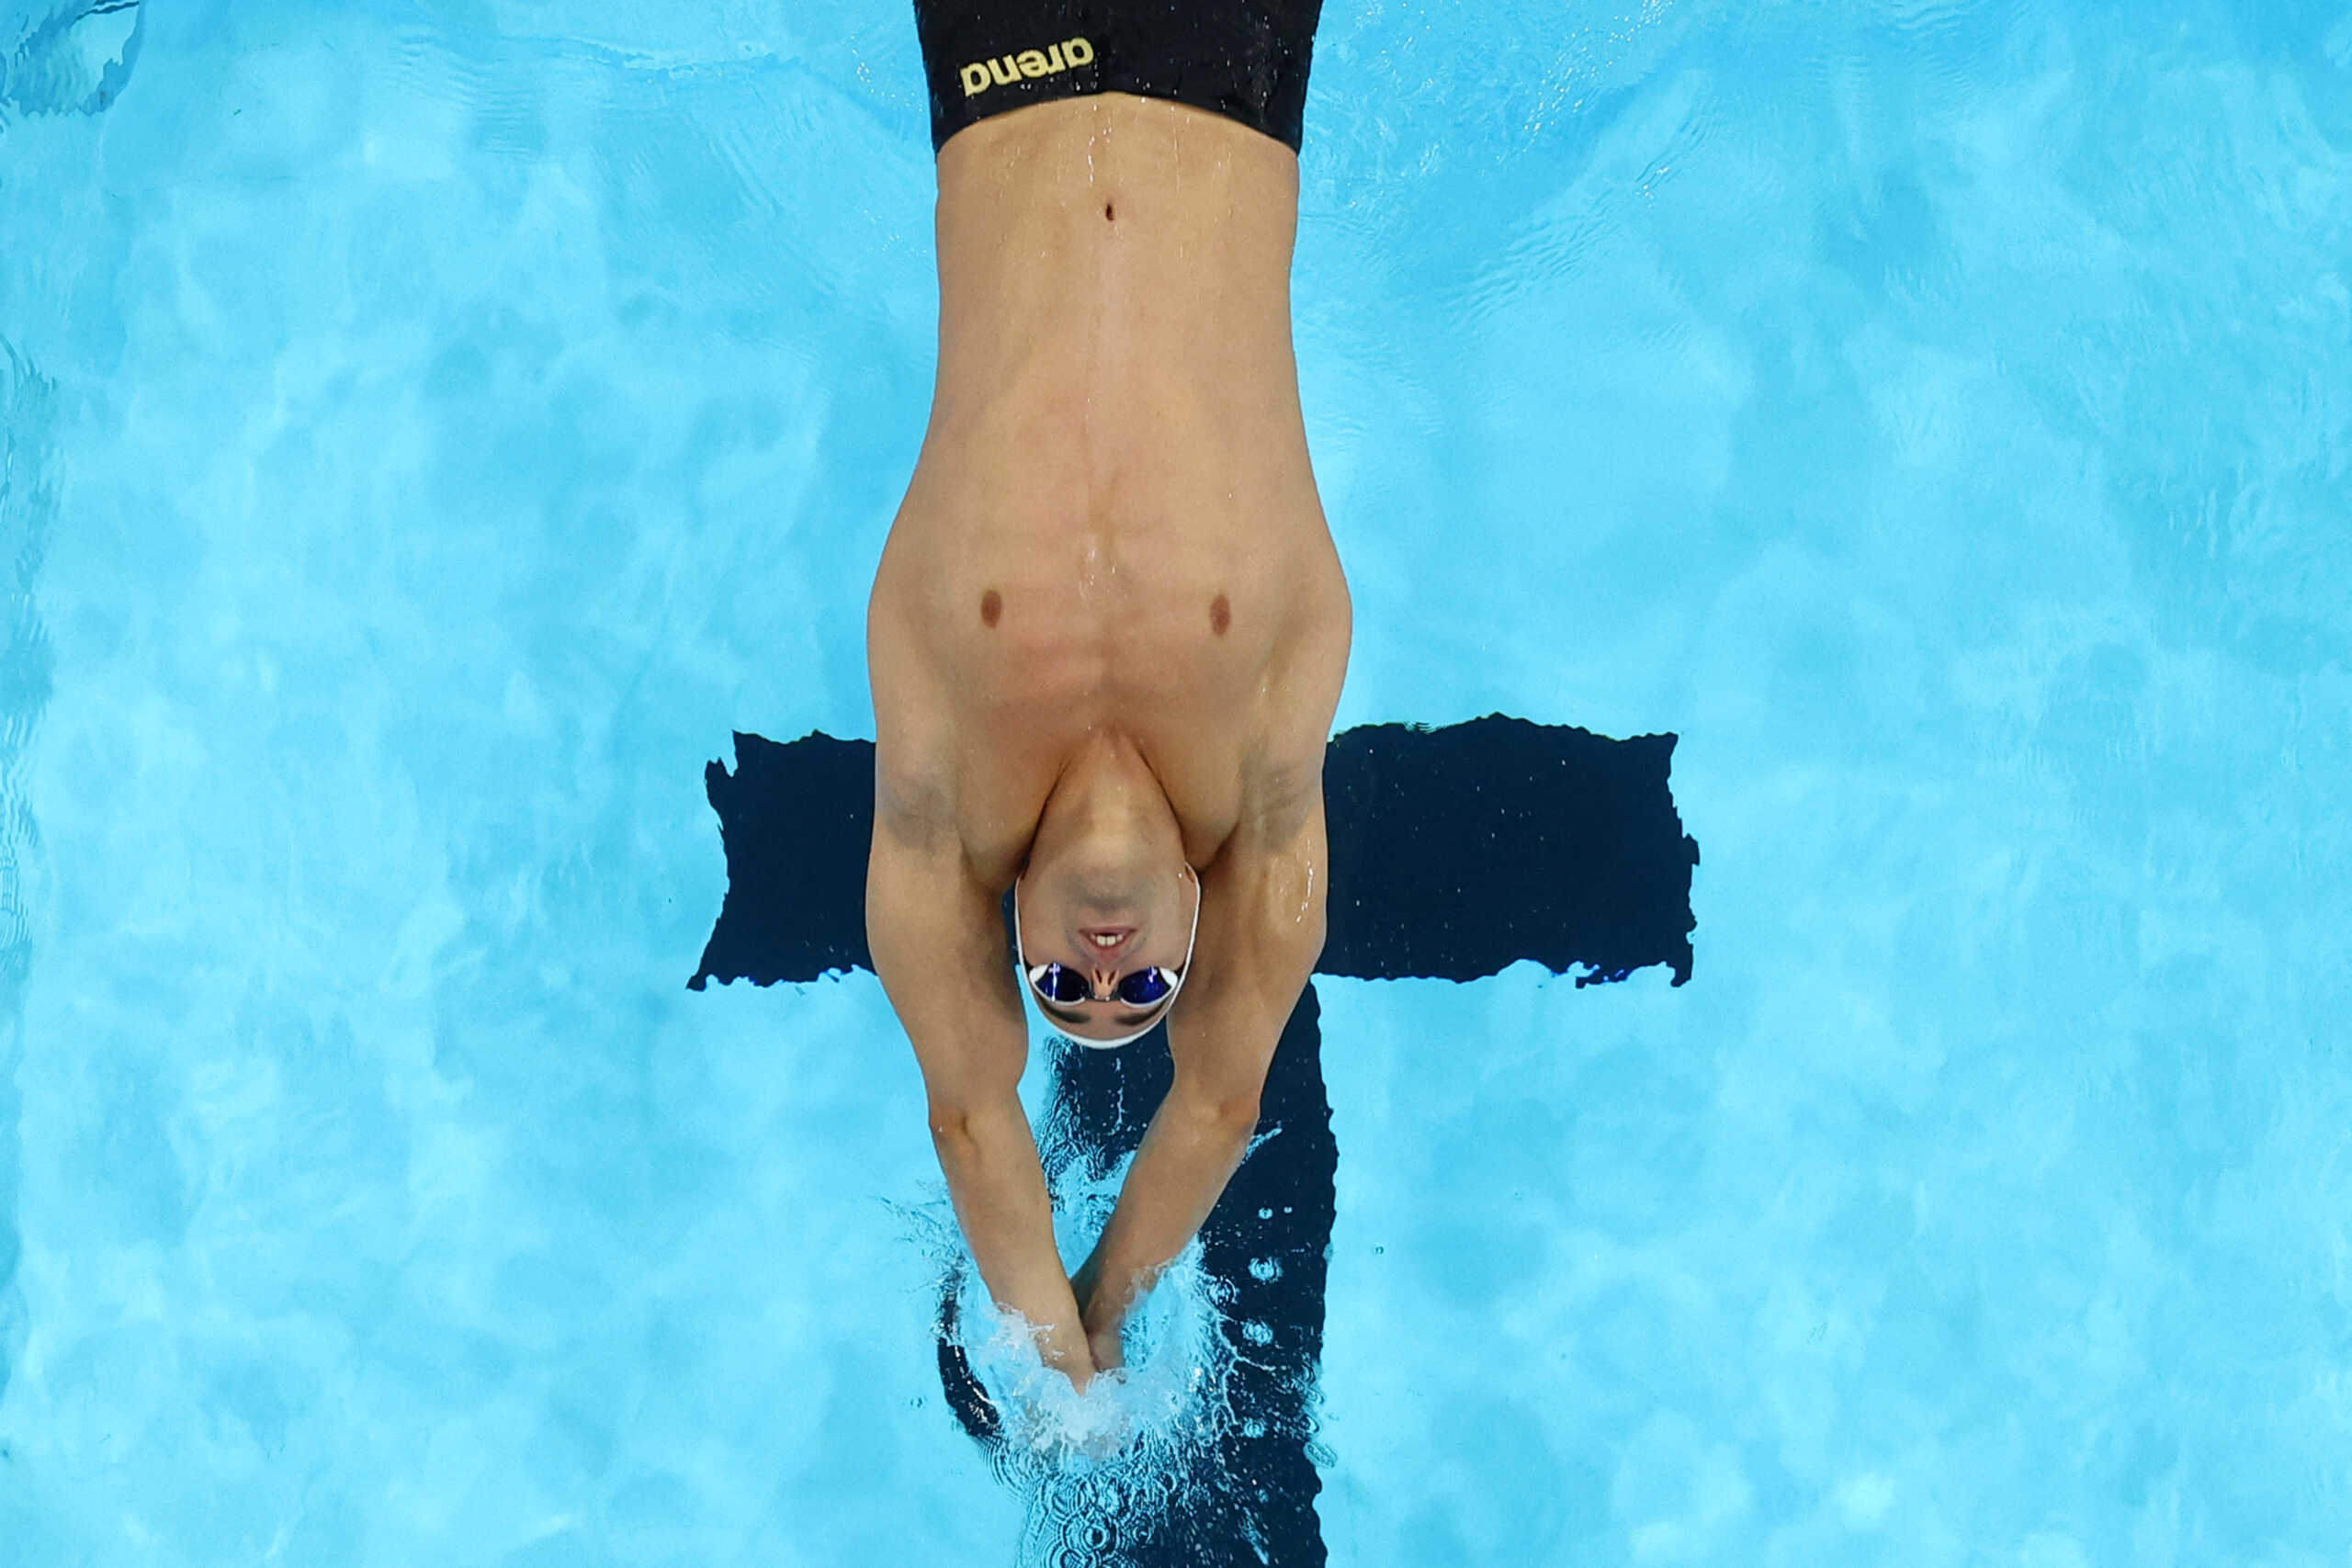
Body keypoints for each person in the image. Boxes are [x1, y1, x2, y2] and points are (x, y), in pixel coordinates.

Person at [865, 0, 1350, 1393]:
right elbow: (1217, 1097)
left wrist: (1055, 1347)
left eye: (1059, 988)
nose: (1104, 957)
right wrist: (1119, 1306)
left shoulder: (946, 779)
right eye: (1144, 987)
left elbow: (970, 1111)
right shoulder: (1260, 760)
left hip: (1010, 57)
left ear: (1004, 922)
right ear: (1207, 915)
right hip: (1222, 71)